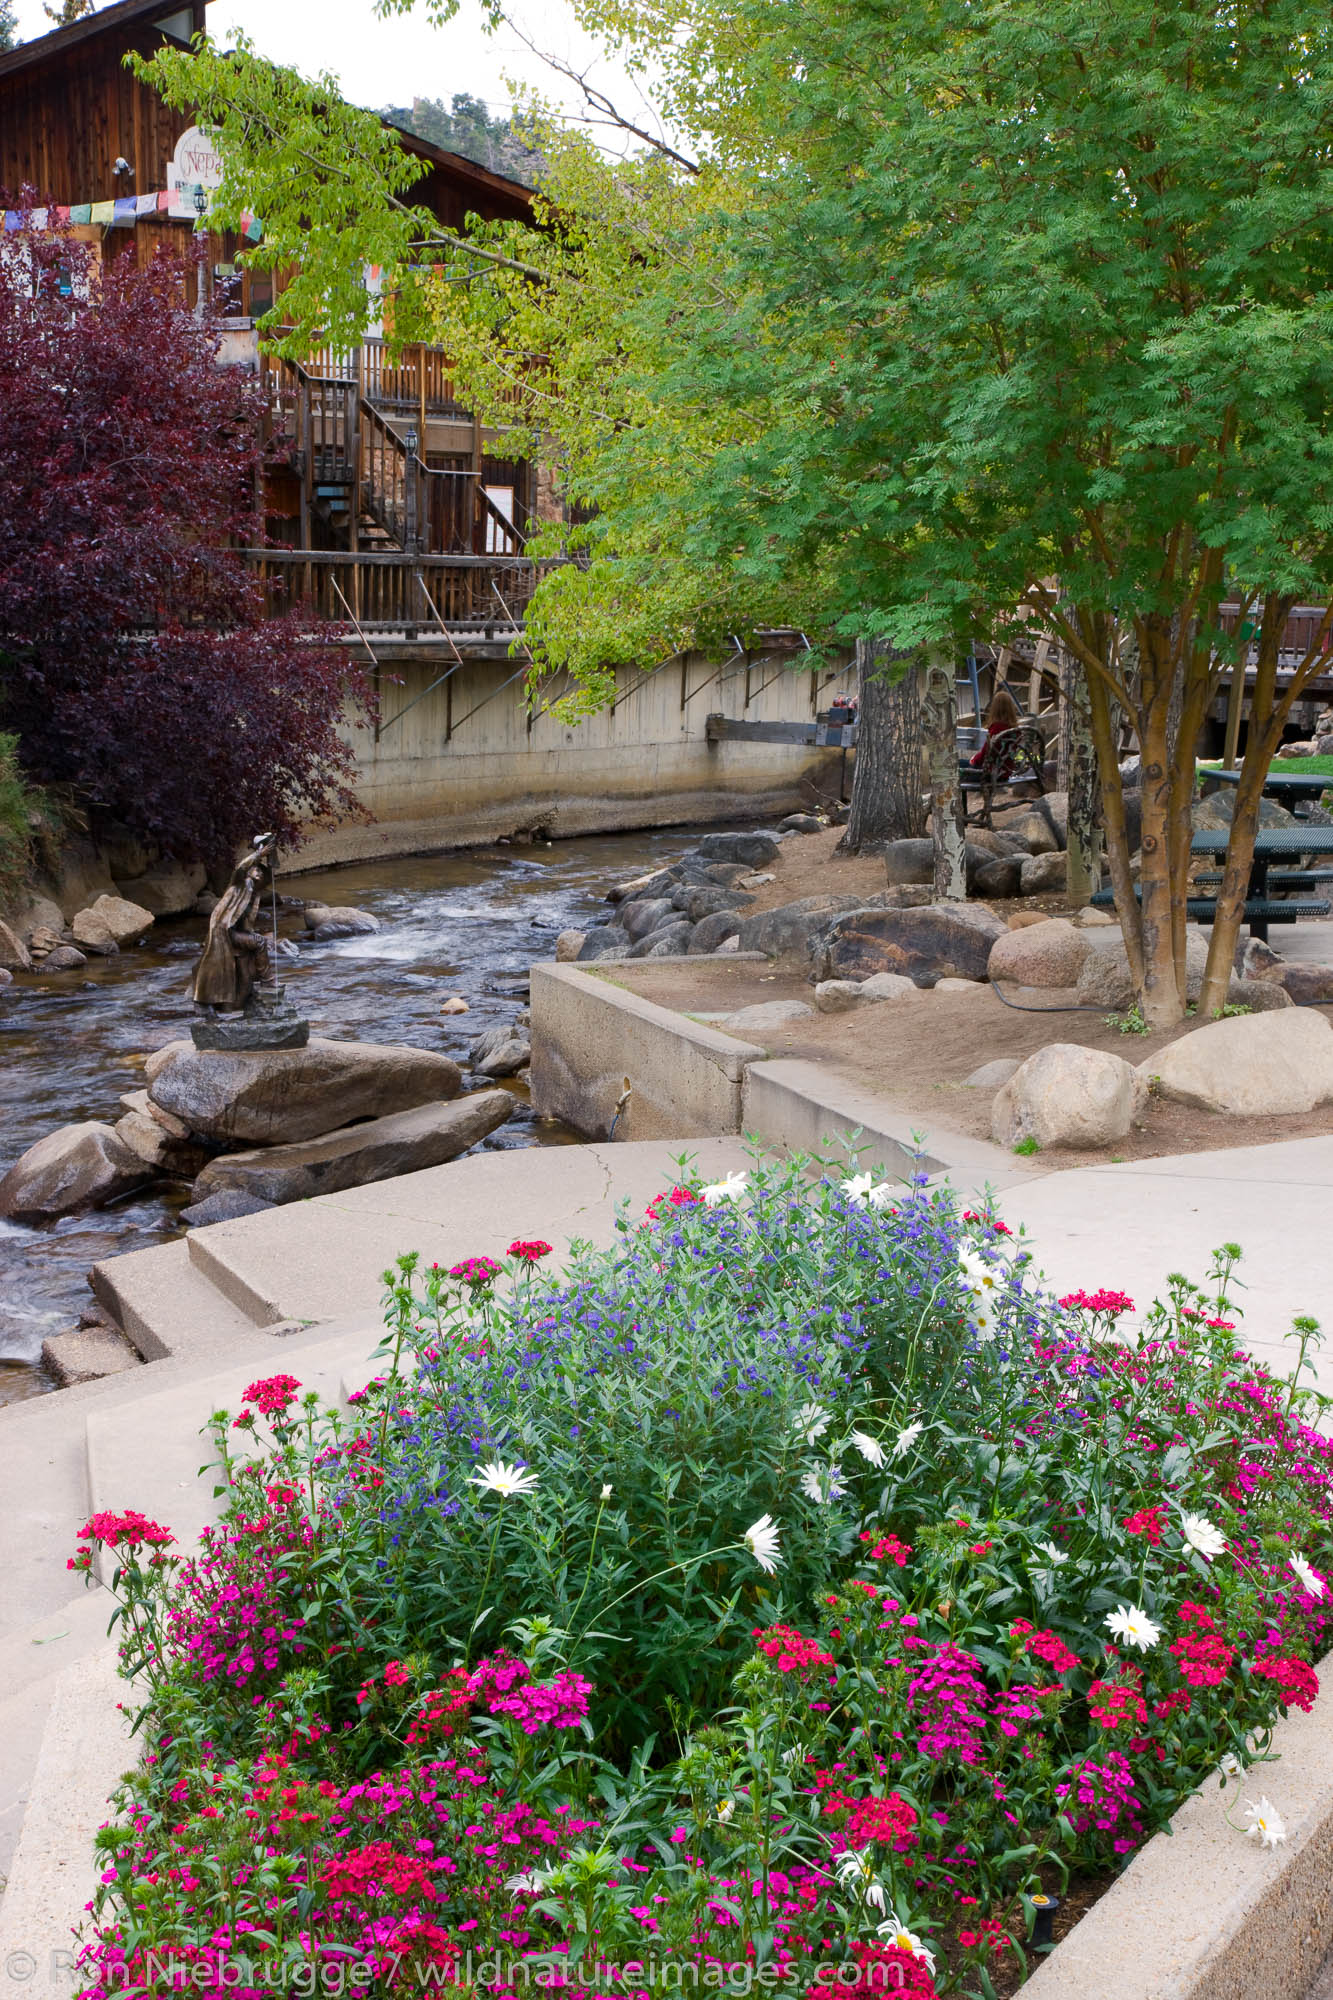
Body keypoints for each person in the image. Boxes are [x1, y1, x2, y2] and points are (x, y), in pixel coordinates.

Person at [969, 686, 1021, 766]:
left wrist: (974, 759)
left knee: (957, 764)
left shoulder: (997, 728)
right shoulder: (1016, 730)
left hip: (991, 772)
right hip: (1006, 770)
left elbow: (985, 754)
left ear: (994, 708)